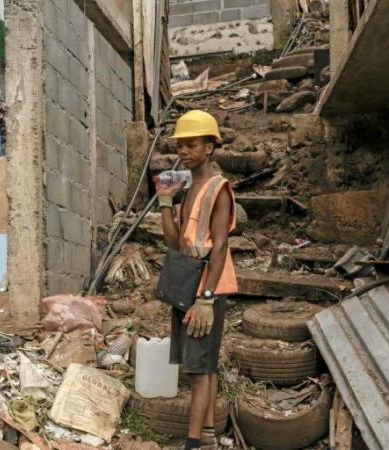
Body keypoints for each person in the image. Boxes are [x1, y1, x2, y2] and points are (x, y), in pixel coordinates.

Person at [155, 110, 238, 450]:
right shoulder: (189, 187)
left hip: (207, 288)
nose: (184, 151)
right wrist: (164, 201)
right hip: (189, 282)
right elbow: (174, 244)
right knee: (205, 364)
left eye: (192, 145)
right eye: (181, 145)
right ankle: (207, 438)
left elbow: (220, 245)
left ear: (210, 147)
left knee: (198, 370)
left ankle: (192, 444)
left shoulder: (218, 188)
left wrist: (206, 298)